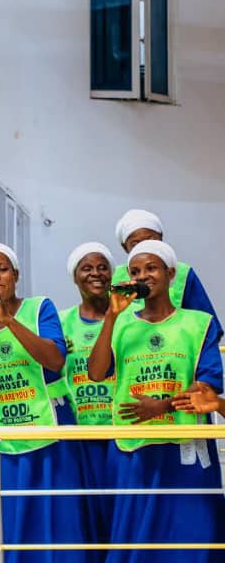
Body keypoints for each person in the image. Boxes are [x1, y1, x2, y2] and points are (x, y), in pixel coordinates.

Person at [0, 243, 90, 563]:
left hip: (50, 432)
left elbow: (55, 360)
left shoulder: (40, 309)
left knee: (57, 520)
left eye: (2, 270)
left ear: (16, 275)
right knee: (10, 522)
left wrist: (10, 321)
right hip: (3, 440)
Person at [87, 240, 224, 563]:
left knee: (192, 536)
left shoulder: (198, 323)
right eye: (135, 271)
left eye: (151, 268)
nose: (143, 276)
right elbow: (96, 372)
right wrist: (111, 316)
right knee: (137, 540)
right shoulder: (121, 323)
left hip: (184, 447)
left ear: (170, 273)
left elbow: (206, 385)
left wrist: (161, 407)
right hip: (133, 448)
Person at [57, 242, 118, 547]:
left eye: (102, 267)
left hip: (120, 431)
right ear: (75, 277)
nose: (95, 273)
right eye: (87, 268)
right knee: (84, 515)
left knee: (119, 513)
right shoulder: (60, 322)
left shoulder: (128, 317)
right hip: (78, 432)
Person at [112, 209, 216, 317]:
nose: (144, 247)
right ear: (125, 247)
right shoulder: (113, 277)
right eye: (135, 244)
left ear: (161, 238)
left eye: (151, 240)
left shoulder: (183, 273)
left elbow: (204, 320)